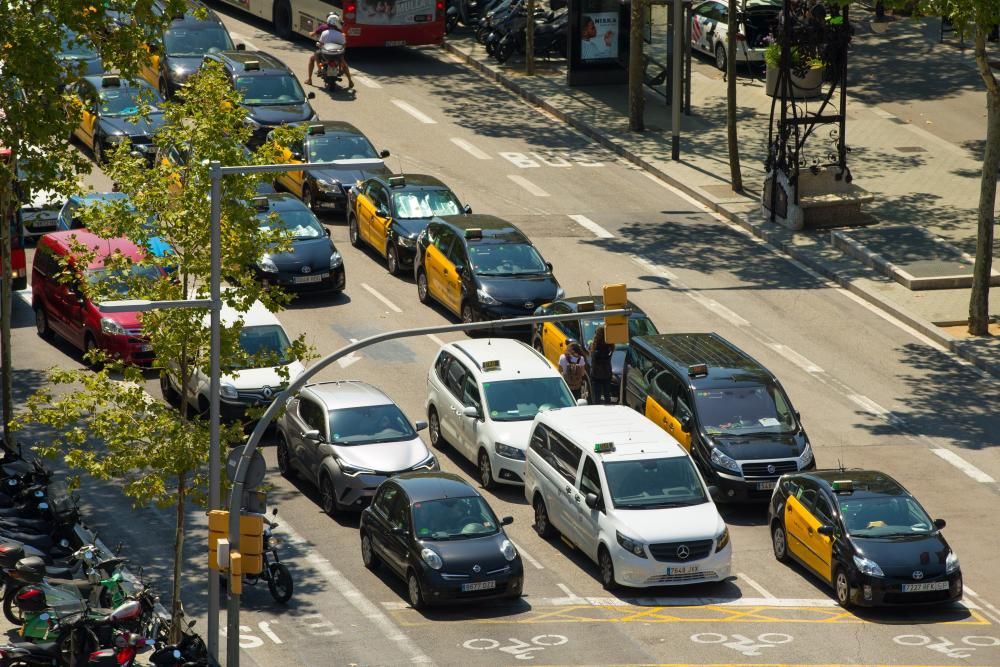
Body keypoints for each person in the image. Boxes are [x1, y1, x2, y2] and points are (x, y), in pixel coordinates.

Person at [305, 13, 354, 89]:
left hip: (325, 55)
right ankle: (350, 81)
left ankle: (312, 76)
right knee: (344, 63)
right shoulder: (340, 33)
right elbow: (344, 46)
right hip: (337, 55)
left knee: (314, 57)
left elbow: (320, 44)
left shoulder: (324, 31)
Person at [588, 325, 614, 404]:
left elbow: (592, 356)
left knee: (596, 398)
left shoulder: (594, 347)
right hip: (607, 374)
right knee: (607, 396)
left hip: (596, 375)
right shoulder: (610, 346)